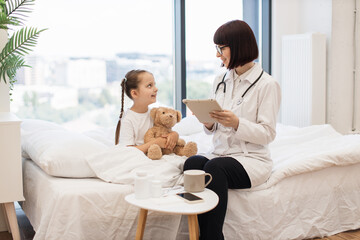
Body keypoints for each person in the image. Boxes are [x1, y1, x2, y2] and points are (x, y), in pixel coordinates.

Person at [183, 20, 281, 240]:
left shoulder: (267, 85)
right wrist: (208, 123)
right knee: (193, 164)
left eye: (221, 48)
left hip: (251, 160)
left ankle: (212, 237)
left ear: (238, 46)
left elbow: (268, 133)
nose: (218, 55)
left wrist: (237, 123)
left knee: (214, 168)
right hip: (220, 154)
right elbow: (214, 128)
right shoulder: (221, 80)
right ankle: (197, 232)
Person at [114, 69, 178, 154]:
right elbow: (128, 152)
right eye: (149, 85)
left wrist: (174, 135)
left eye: (154, 84)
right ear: (134, 93)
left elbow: (164, 130)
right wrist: (156, 143)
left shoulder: (154, 114)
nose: (156, 89)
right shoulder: (128, 119)